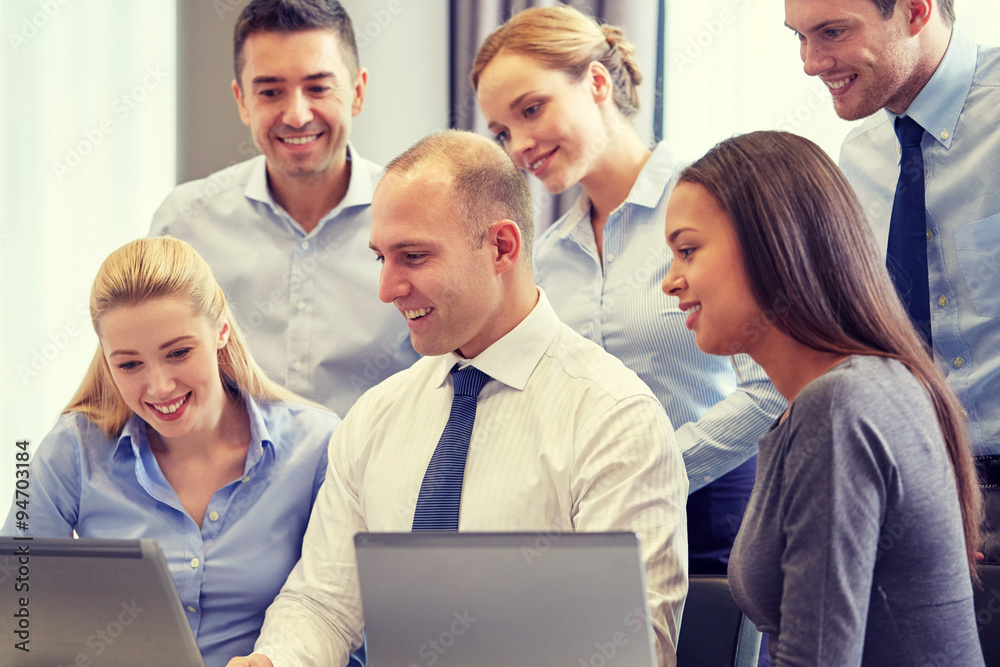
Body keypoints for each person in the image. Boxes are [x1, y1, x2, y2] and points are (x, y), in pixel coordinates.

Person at [225, 130, 689, 667]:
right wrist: (275, 661)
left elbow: (632, 653)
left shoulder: (613, 418)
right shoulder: (377, 415)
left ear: (501, 247)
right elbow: (325, 603)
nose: (387, 288)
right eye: (382, 258)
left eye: (414, 256)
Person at [471, 5, 786, 574]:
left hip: (712, 524)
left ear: (595, 82)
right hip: (584, 534)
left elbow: (772, 390)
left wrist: (649, 471)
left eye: (531, 109)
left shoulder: (716, 204)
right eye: (501, 132)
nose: (517, 145)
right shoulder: (544, 257)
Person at [662, 130, 984, 665]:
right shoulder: (847, 392)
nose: (671, 281)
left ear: (774, 241)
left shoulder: (839, 405)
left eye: (688, 250)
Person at [1, 237, 342, 667]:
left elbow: (340, 610)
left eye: (178, 353)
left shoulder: (316, 444)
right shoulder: (72, 448)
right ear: (106, 361)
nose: (159, 387)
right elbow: (16, 608)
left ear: (220, 328)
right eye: (129, 364)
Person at [785, 0, 1000, 562]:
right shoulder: (860, 157)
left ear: (915, 11)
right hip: (921, 490)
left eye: (831, 32)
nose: (811, 62)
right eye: (800, 38)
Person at [150, 0, 418, 418]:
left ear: (358, 92)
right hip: (232, 483)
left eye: (318, 87)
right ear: (242, 100)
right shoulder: (185, 222)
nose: (296, 115)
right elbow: (147, 372)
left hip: (384, 479)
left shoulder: (420, 216)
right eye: (271, 91)